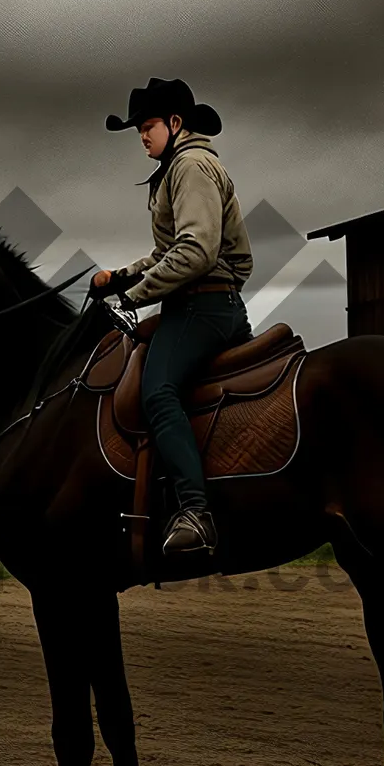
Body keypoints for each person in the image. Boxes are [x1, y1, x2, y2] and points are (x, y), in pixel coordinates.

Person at [91, 77, 254, 558]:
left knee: (156, 390)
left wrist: (133, 298)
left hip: (200, 306)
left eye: (148, 126)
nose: (141, 136)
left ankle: (195, 511)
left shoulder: (191, 166)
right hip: (211, 302)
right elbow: (167, 251)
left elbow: (197, 251)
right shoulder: (179, 168)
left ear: (175, 123)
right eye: (138, 129)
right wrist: (120, 276)